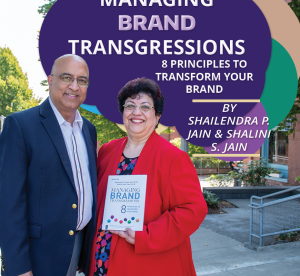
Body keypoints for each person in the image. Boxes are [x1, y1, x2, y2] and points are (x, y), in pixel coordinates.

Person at [89, 78, 208, 276]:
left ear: (157, 115)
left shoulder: (173, 157)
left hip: (148, 264)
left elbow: (193, 209)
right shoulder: (107, 151)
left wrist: (147, 235)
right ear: (123, 112)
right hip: (103, 261)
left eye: (145, 106)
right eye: (130, 106)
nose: (137, 112)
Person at [0, 55, 97, 276]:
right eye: (67, 78)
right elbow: (8, 205)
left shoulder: (88, 130)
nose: (74, 86)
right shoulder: (21, 125)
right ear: (50, 80)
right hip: (37, 257)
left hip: (76, 248)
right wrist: (19, 268)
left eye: (82, 80)